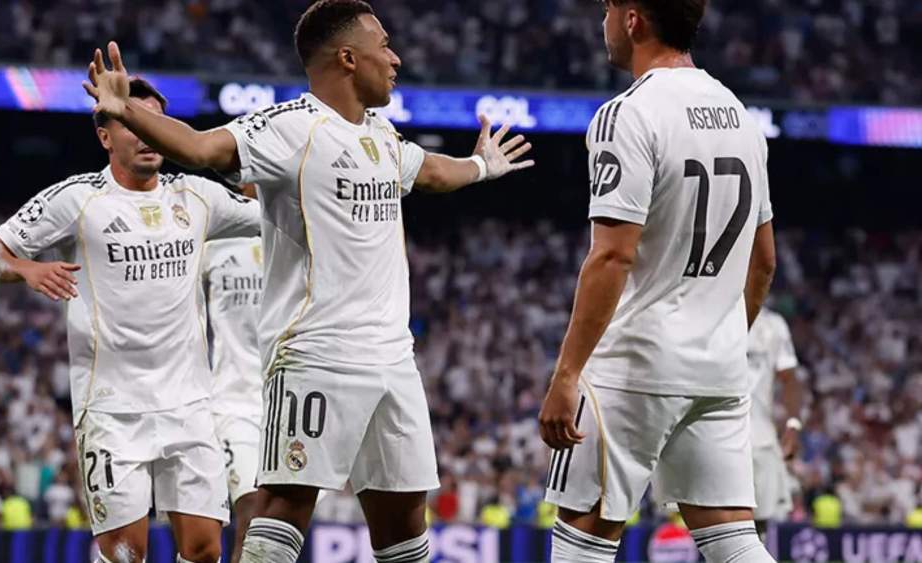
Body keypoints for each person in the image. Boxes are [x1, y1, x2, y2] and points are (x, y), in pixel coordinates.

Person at [81, 1, 534, 561]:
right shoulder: (289, 128)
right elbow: (200, 147)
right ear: (348, 57)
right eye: (384, 46)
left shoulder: (379, 134)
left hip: (393, 356)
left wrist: (483, 165)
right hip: (318, 352)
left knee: (403, 518)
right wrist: (126, 110)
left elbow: (433, 171)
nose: (395, 59)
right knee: (282, 504)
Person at [0, 77, 262, 563]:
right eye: (132, 122)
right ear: (106, 135)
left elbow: (270, 215)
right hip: (112, 412)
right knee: (126, 554)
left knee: (206, 550)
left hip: (190, 405)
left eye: (158, 124)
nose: (148, 135)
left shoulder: (197, 197)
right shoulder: (76, 200)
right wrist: (25, 267)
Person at [537, 0, 777, 561]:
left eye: (607, 9)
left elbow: (612, 257)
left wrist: (567, 374)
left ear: (632, 19)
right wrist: (717, 337)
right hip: (717, 370)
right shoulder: (741, 114)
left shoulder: (628, 114)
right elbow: (763, 260)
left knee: (584, 535)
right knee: (734, 542)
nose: (604, 23)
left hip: (635, 366)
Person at [201, 186, 265, 563]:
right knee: (251, 515)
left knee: (279, 527)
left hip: (288, 401)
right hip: (232, 402)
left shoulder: (301, 236)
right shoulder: (214, 242)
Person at [747, 306, 803, 535]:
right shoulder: (709, 311)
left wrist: (792, 425)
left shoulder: (773, 324)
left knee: (760, 520)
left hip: (760, 437)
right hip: (714, 433)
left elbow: (789, 378)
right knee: (710, 516)